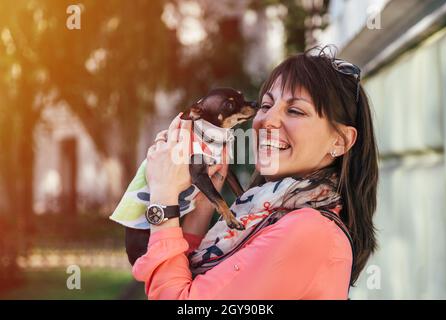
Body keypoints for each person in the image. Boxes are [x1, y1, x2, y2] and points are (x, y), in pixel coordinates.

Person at [129, 46, 379, 299]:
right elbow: (196, 286)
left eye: (295, 111)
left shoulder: (309, 230)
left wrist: (163, 198)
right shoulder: (267, 213)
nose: (265, 120)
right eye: (267, 105)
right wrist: (202, 207)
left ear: (340, 141)